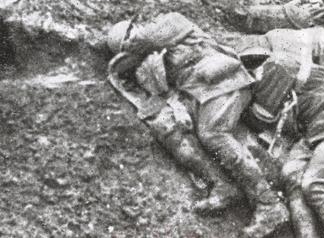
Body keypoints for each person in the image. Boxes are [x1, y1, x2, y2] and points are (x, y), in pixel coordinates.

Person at [106, 13, 289, 238]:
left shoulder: (170, 22)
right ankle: (221, 185)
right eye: (124, 45)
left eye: (128, 38)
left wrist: (125, 53)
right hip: (197, 95)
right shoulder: (150, 60)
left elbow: (143, 40)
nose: (130, 44)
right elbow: (159, 90)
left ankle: (269, 204)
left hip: (225, 83)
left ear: (137, 26)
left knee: (213, 133)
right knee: (167, 127)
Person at [250, 53, 324, 238]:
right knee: (292, 176)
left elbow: (266, 115)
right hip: (315, 133)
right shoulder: (287, 69)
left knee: (315, 185)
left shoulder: (280, 67)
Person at [107, 51, 241, 214]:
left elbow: (175, 87)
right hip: (191, 98)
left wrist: (177, 107)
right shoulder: (149, 65)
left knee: (188, 132)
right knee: (168, 130)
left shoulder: (166, 54)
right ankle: (221, 183)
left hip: (208, 95)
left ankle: (227, 185)